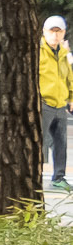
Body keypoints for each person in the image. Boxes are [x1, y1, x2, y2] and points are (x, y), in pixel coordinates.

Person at [41, 15, 71, 189]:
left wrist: (71, 98)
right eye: (52, 31)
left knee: (61, 143)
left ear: (63, 33)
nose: (55, 35)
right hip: (44, 103)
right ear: (44, 32)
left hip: (60, 104)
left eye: (58, 32)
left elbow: (69, 77)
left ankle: (58, 177)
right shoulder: (38, 51)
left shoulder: (64, 54)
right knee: (40, 142)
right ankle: (33, 175)